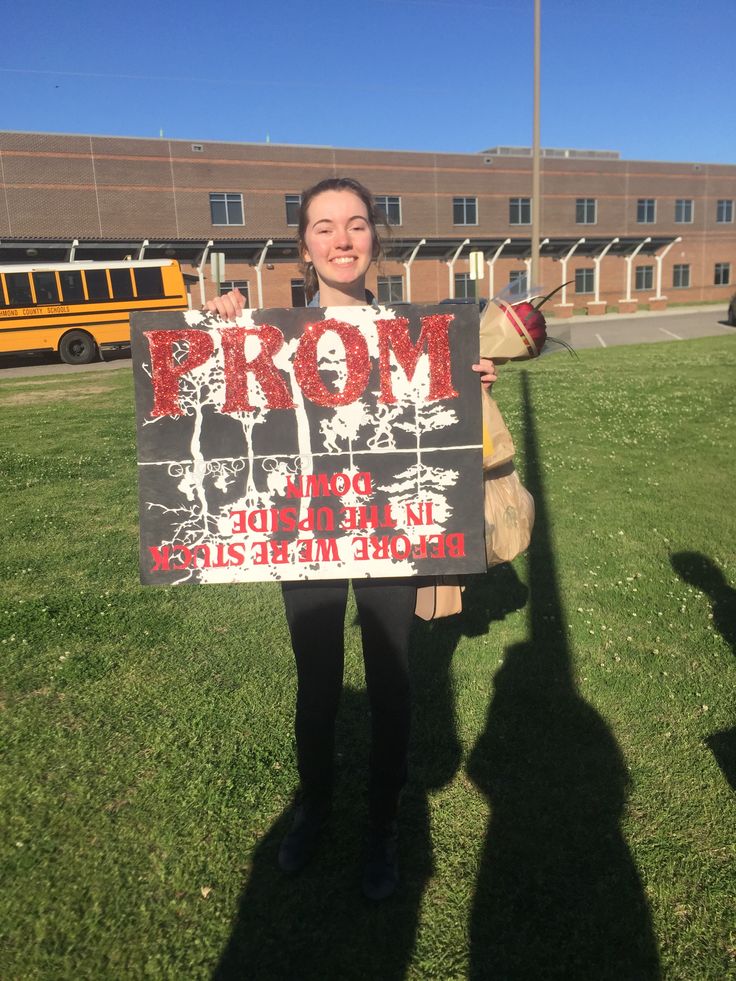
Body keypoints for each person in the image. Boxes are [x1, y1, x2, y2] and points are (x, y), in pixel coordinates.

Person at [205, 177, 496, 900]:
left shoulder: (415, 336)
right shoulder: (266, 335)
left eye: (357, 225)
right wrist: (216, 331)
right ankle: (315, 803)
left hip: (387, 528)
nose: (342, 240)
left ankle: (382, 823)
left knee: (393, 681)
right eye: (326, 227)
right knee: (319, 682)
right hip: (306, 529)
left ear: (375, 240)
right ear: (303, 246)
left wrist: (472, 380)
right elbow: (212, 417)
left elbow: (446, 435)